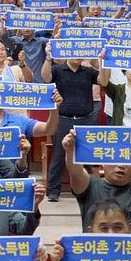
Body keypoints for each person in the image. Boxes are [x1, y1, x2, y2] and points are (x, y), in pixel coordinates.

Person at [43, 54, 101, 201]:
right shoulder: (58, 70)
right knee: (59, 155)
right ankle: (53, 191)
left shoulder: (88, 71)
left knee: (86, 156)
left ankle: (87, 189)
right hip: (63, 119)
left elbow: (104, 80)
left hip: (85, 119)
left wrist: (103, 61)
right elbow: (46, 78)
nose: (77, 56)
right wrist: (49, 59)